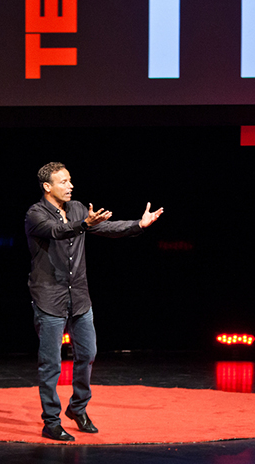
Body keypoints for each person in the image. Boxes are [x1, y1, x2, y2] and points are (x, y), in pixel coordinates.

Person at [25, 162, 163, 441]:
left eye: (70, 180)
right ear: (47, 187)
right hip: (49, 297)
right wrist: (84, 224)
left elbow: (106, 227)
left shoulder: (77, 208)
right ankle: (51, 421)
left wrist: (138, 224)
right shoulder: (35, 214)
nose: (70, 186)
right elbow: (57, 231)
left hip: (79, 296)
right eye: (63, 182)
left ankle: (77, 408)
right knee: (51, 363)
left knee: (88, 354)